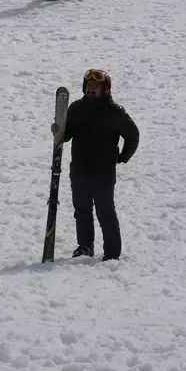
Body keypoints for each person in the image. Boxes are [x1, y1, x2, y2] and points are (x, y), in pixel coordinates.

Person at [51, 68, 139, 261]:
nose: (91, 89)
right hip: (79, 170)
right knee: (82, 212)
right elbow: (67, 135)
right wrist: (58, 130)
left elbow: (133, 136)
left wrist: (122, 157)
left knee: (105, 212)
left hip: (103, 173)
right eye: (89, 85)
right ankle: (85, 247)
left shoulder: (115, 112)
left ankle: (112, 254)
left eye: (95, 86)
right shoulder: (76, 108)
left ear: (104, 89)